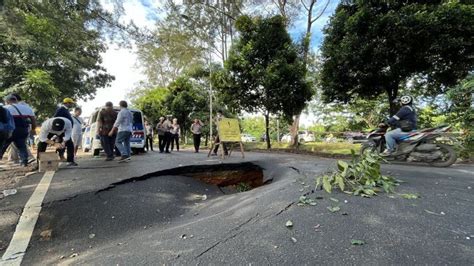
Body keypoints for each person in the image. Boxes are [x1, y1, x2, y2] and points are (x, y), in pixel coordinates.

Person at [0, 95, 37, 166]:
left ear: (7, 101)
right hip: (22, 130)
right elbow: (33, 120)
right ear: (16, 100)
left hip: (9, 130)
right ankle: (24, 162)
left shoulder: (5, 108)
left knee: (3, 146)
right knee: (22, 146)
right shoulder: (27, 108)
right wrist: (33, 129)